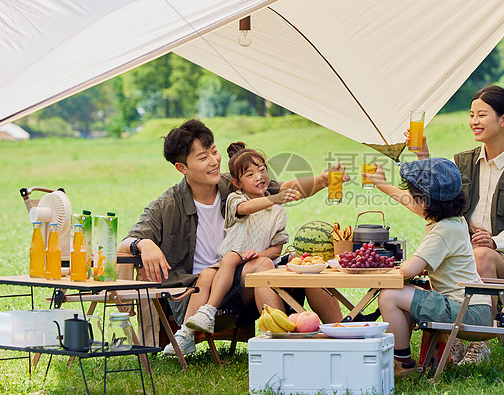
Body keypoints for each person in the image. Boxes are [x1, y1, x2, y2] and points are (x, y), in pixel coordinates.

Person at [119, 119, 342, 356]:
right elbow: (127, 241)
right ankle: (280, 349)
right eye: (203, 157)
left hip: (245, 278)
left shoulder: (232, 183)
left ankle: (344, 335)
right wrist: (144, 243)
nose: (214, 161)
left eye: (214, 151)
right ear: (182, 168)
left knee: (308, 265)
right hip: (208, 292)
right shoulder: (167, 205)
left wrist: (322, 180)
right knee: (262, 265)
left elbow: (282, 189)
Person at [406, 85, 504, 363]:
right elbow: (436, 200)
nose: (473, 121)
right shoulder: (461, 162)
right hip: (465, 252)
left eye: (481, 114)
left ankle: (478, 340)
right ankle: (454, 336)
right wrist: (422, 156)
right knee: (450, 254)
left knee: (481, 255)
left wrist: (495, 241)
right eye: (471, 114)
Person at [363, 157, 494, 377]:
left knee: (389, 296)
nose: (412, 203)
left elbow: (408, 271)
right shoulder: (454, 220)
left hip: (469, 312)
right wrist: (382, 184)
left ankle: (402, 364)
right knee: (399, 295)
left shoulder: (443, 231)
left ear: (424, 203)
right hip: (474, 306)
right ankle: (400, 358)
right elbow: (413, 205)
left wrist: (388, 267)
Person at [182, 141, 301, 334]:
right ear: (237, 183)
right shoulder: (236, 199)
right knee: (211, 271)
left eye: (262, 170)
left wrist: (257, 254)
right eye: (250, 174)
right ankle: (187, 331)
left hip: (254, 262)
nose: (259, 176)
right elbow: (244, 210)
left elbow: (276, 249)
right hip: (231, 265)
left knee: (255, 262)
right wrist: (274, 198)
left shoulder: (278, 211)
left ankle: (207, 313)